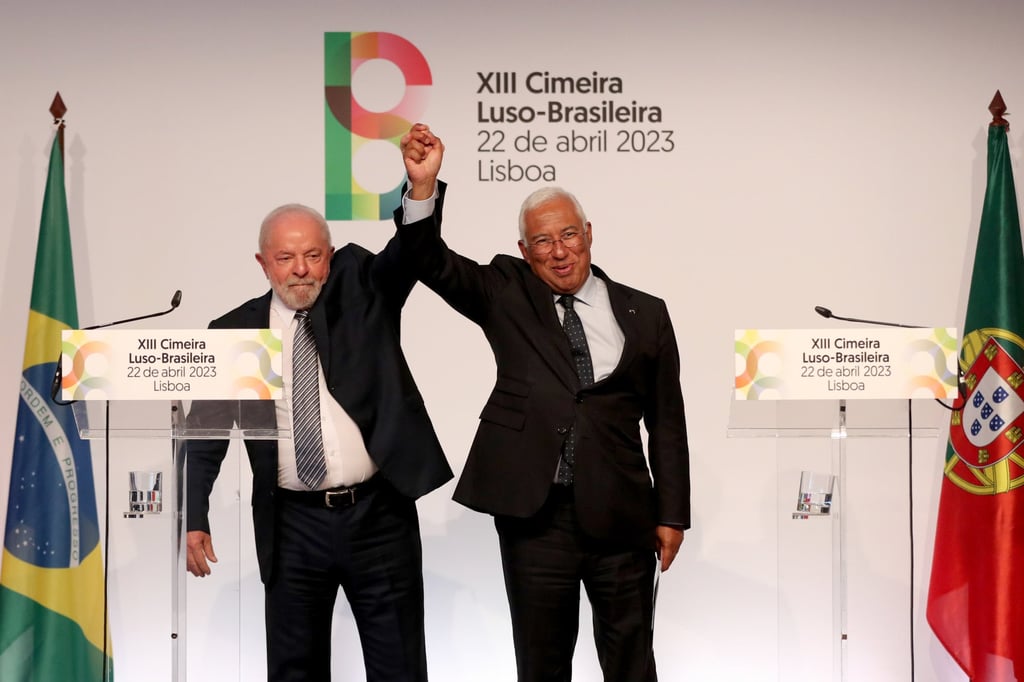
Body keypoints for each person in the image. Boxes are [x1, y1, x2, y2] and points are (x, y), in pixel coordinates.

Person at [396, 124, 691, 682]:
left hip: (622, 513)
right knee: (542, 663)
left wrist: (672, 513)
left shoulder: (646, 313)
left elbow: (668, 423)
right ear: (524, 252)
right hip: (536, 515)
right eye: (543, 243)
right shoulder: (506, 291)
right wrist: (422, 189)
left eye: (568, 236)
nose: (559, 253)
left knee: (631, 661)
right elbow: (427, 260)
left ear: (589, 233)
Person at [185, 202, 453, 682]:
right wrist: (194, 516)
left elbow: (410, 253)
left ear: (329, 257)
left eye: (313, 255)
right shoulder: (235, 333)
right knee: (295, 671)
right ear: (262, 263)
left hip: (378, 516)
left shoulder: (365, 293)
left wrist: (421, 191)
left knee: (400, 667)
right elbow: (205, 433)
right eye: (286, 258)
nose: (301, 270)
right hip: (291, 525)